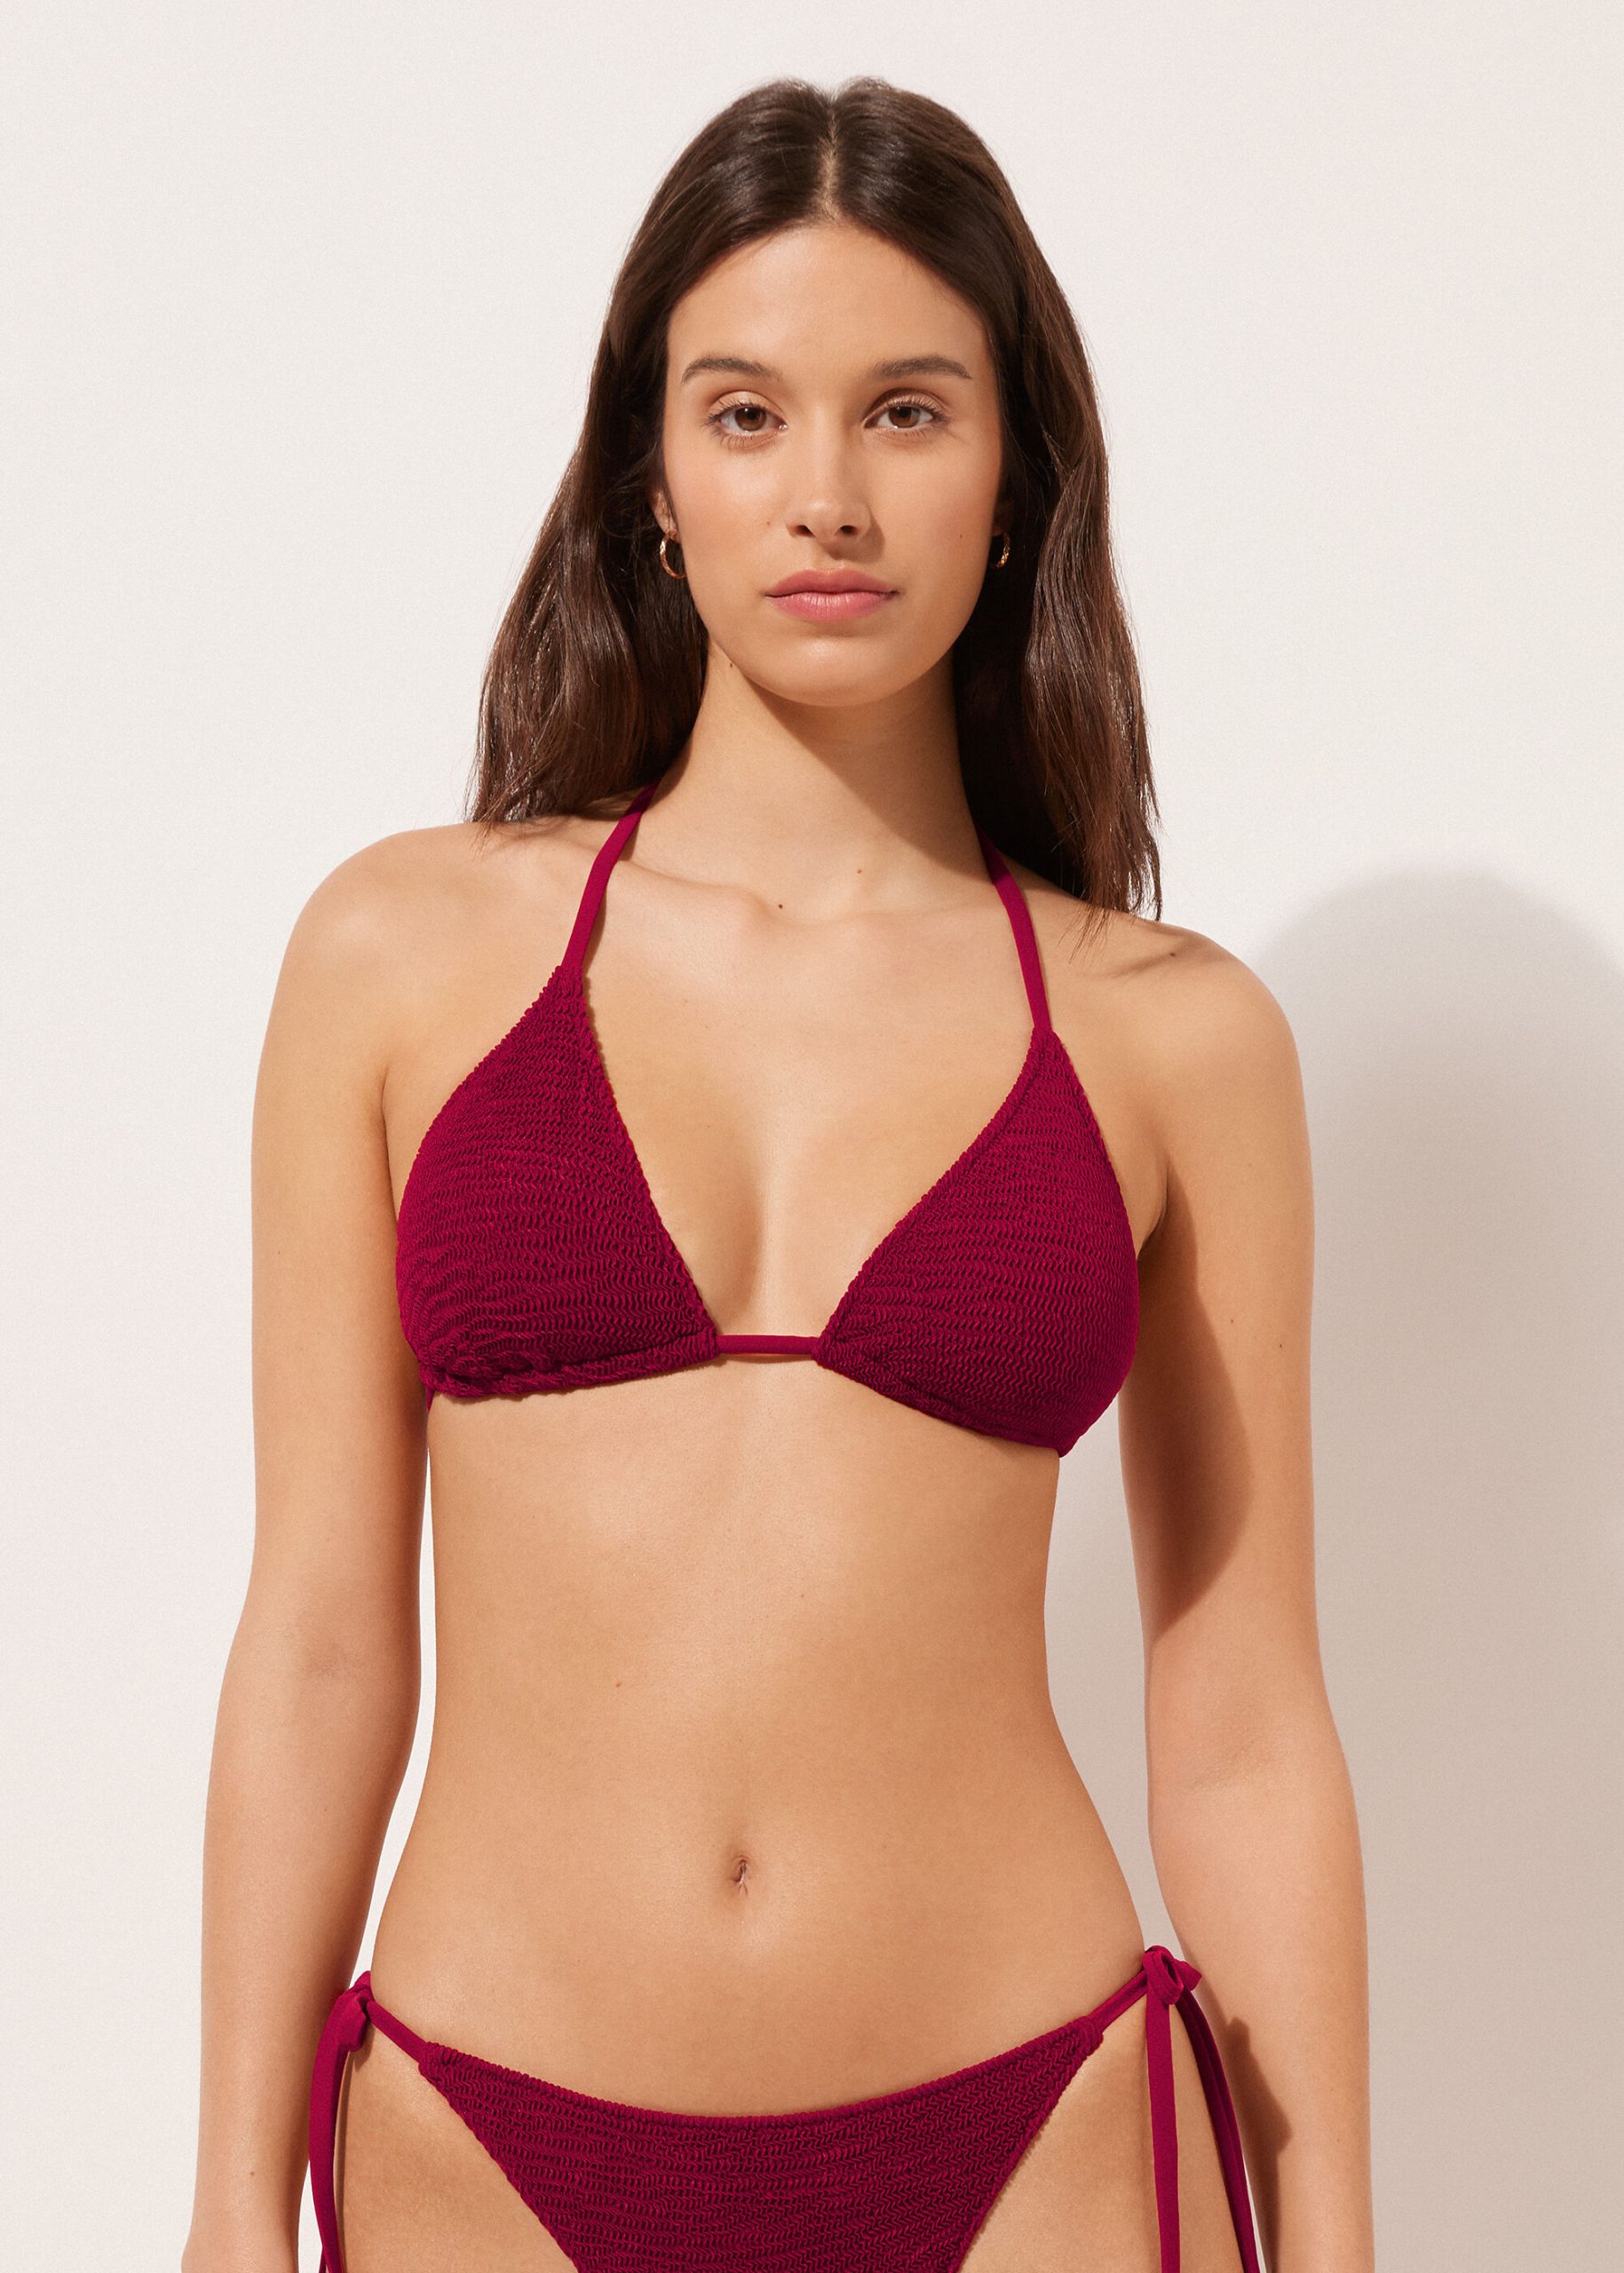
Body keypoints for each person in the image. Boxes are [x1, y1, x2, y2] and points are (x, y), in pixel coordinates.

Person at [183, 74, 1374, 2273]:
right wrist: (227, 2196)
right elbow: (326, 1635)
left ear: (1018, 472)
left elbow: (1242, 1716)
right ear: (651, 476)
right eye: (746, 414)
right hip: (483, 2130)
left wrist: (1340, 2246)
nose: (827, 494)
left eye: (908, 411)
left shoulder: (1171, 1034)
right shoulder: (404, 954)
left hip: (1035, 2128)